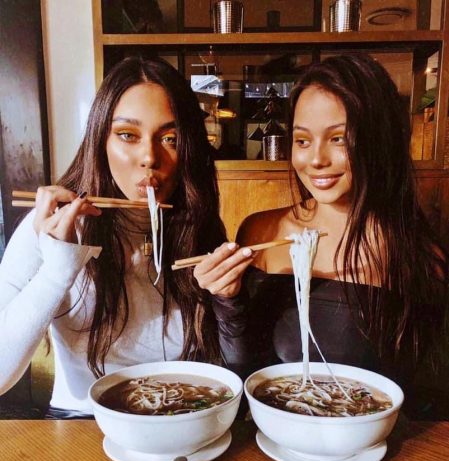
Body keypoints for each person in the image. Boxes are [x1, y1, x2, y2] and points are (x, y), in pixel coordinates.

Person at [194, 53, 449, 418]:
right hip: (267, 433)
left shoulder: (416, 256)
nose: (315, 159)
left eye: (338, 139)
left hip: (358, 442)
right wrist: (226, 299)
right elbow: (243, 371)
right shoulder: (261, 231)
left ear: (380, 140)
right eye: (302, 140)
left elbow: (418, 396)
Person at [0, 56, 253, 417]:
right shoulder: (53, 225)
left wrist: (229, 301)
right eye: (127, 135)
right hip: (81, 424)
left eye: (170, 138)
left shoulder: (196, 228)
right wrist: (58, 267)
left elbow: (229, 370)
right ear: (100, 139)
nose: (149, 157)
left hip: (178, 419)